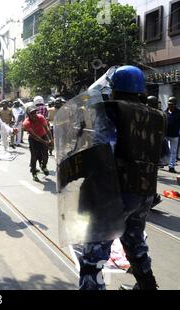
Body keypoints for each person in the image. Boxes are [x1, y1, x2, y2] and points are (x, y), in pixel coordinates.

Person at [78, 65, 166, 290]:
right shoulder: (156, 116)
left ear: (114, 88)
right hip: (144, 192)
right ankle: (149, 286)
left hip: (114, 193)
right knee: (135, 243)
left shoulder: (110, 111)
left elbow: (100, 149)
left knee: (94, 255)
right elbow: (164, 155)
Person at [23, 105, 53, 182]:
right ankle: (34, 173)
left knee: (45, 155)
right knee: (34, 156)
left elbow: (47, 129)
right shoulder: (26, 123)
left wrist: (51, 139)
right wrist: (45, 142)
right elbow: (34, 136)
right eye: (32, 113)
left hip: (43, 136)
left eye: (35, 113)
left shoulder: (41, 117)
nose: (34, 115)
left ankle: (43, 166)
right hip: (33, 140)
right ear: (28, 115)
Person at [165, 96, 180, 173]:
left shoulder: (178, 113)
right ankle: (162, 163)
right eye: (169, 104)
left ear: (175, 105)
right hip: (166, 135)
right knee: (164, 150)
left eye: (172, 104)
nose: (170, 106)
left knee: (173, 151)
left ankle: (171, 166)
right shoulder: (165, 112)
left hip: (174, 135)